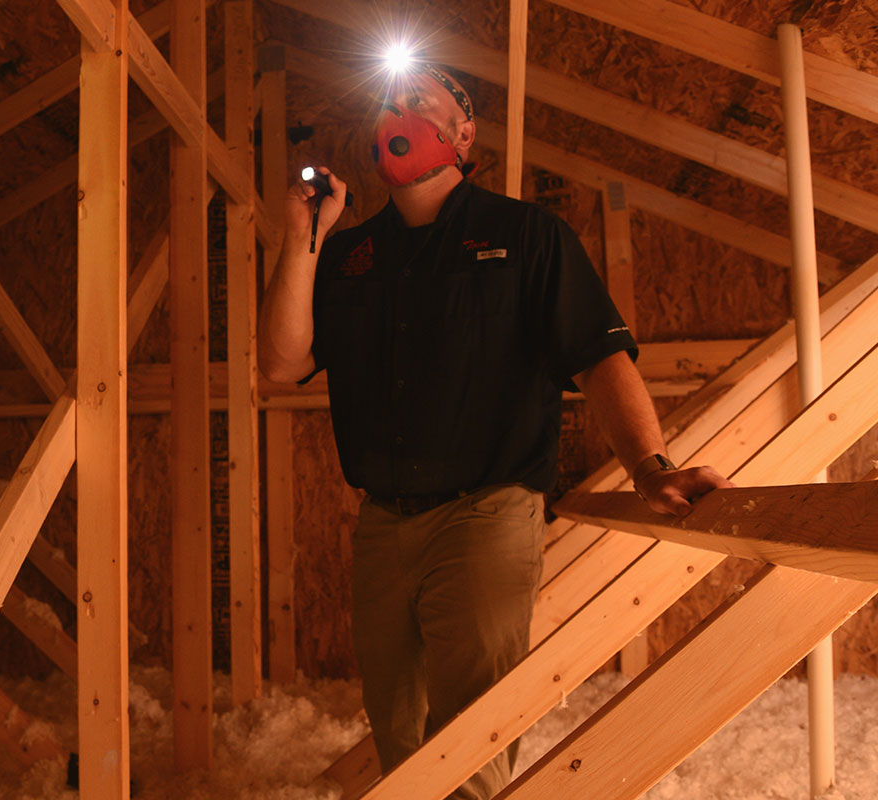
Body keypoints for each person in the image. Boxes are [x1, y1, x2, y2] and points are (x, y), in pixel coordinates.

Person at [257, 63, 733, 797]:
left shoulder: (525, 236)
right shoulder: (351, 255)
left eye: (421, 99)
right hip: (382, 524)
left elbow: (597, 356)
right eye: (390, 102)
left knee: (470, 746)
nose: (400, 110)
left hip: (486, 513)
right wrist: (301, 240)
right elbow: (283, 363)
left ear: (464, 132)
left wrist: (650, 466)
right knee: (399, 740)